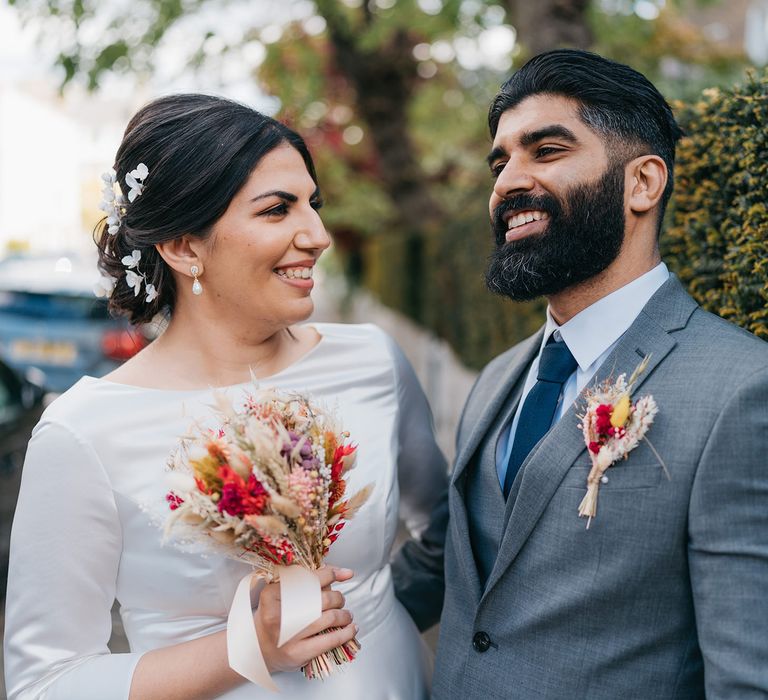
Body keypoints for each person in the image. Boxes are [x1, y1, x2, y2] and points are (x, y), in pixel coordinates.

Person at [4, 94, 447, 700]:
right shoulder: (83, 431)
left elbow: (448, 533)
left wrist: (379, 616)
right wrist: (251, 650)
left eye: (312, 205)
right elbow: (43, 682)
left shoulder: (371, 362)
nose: (317, 234)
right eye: (277, 210)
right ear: (184, 246)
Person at [410, 49, 768, 698]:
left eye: (546, 150)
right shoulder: (497, 379)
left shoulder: (741, 391)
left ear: (643, 183)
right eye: (501, 161)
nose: (508, 181)